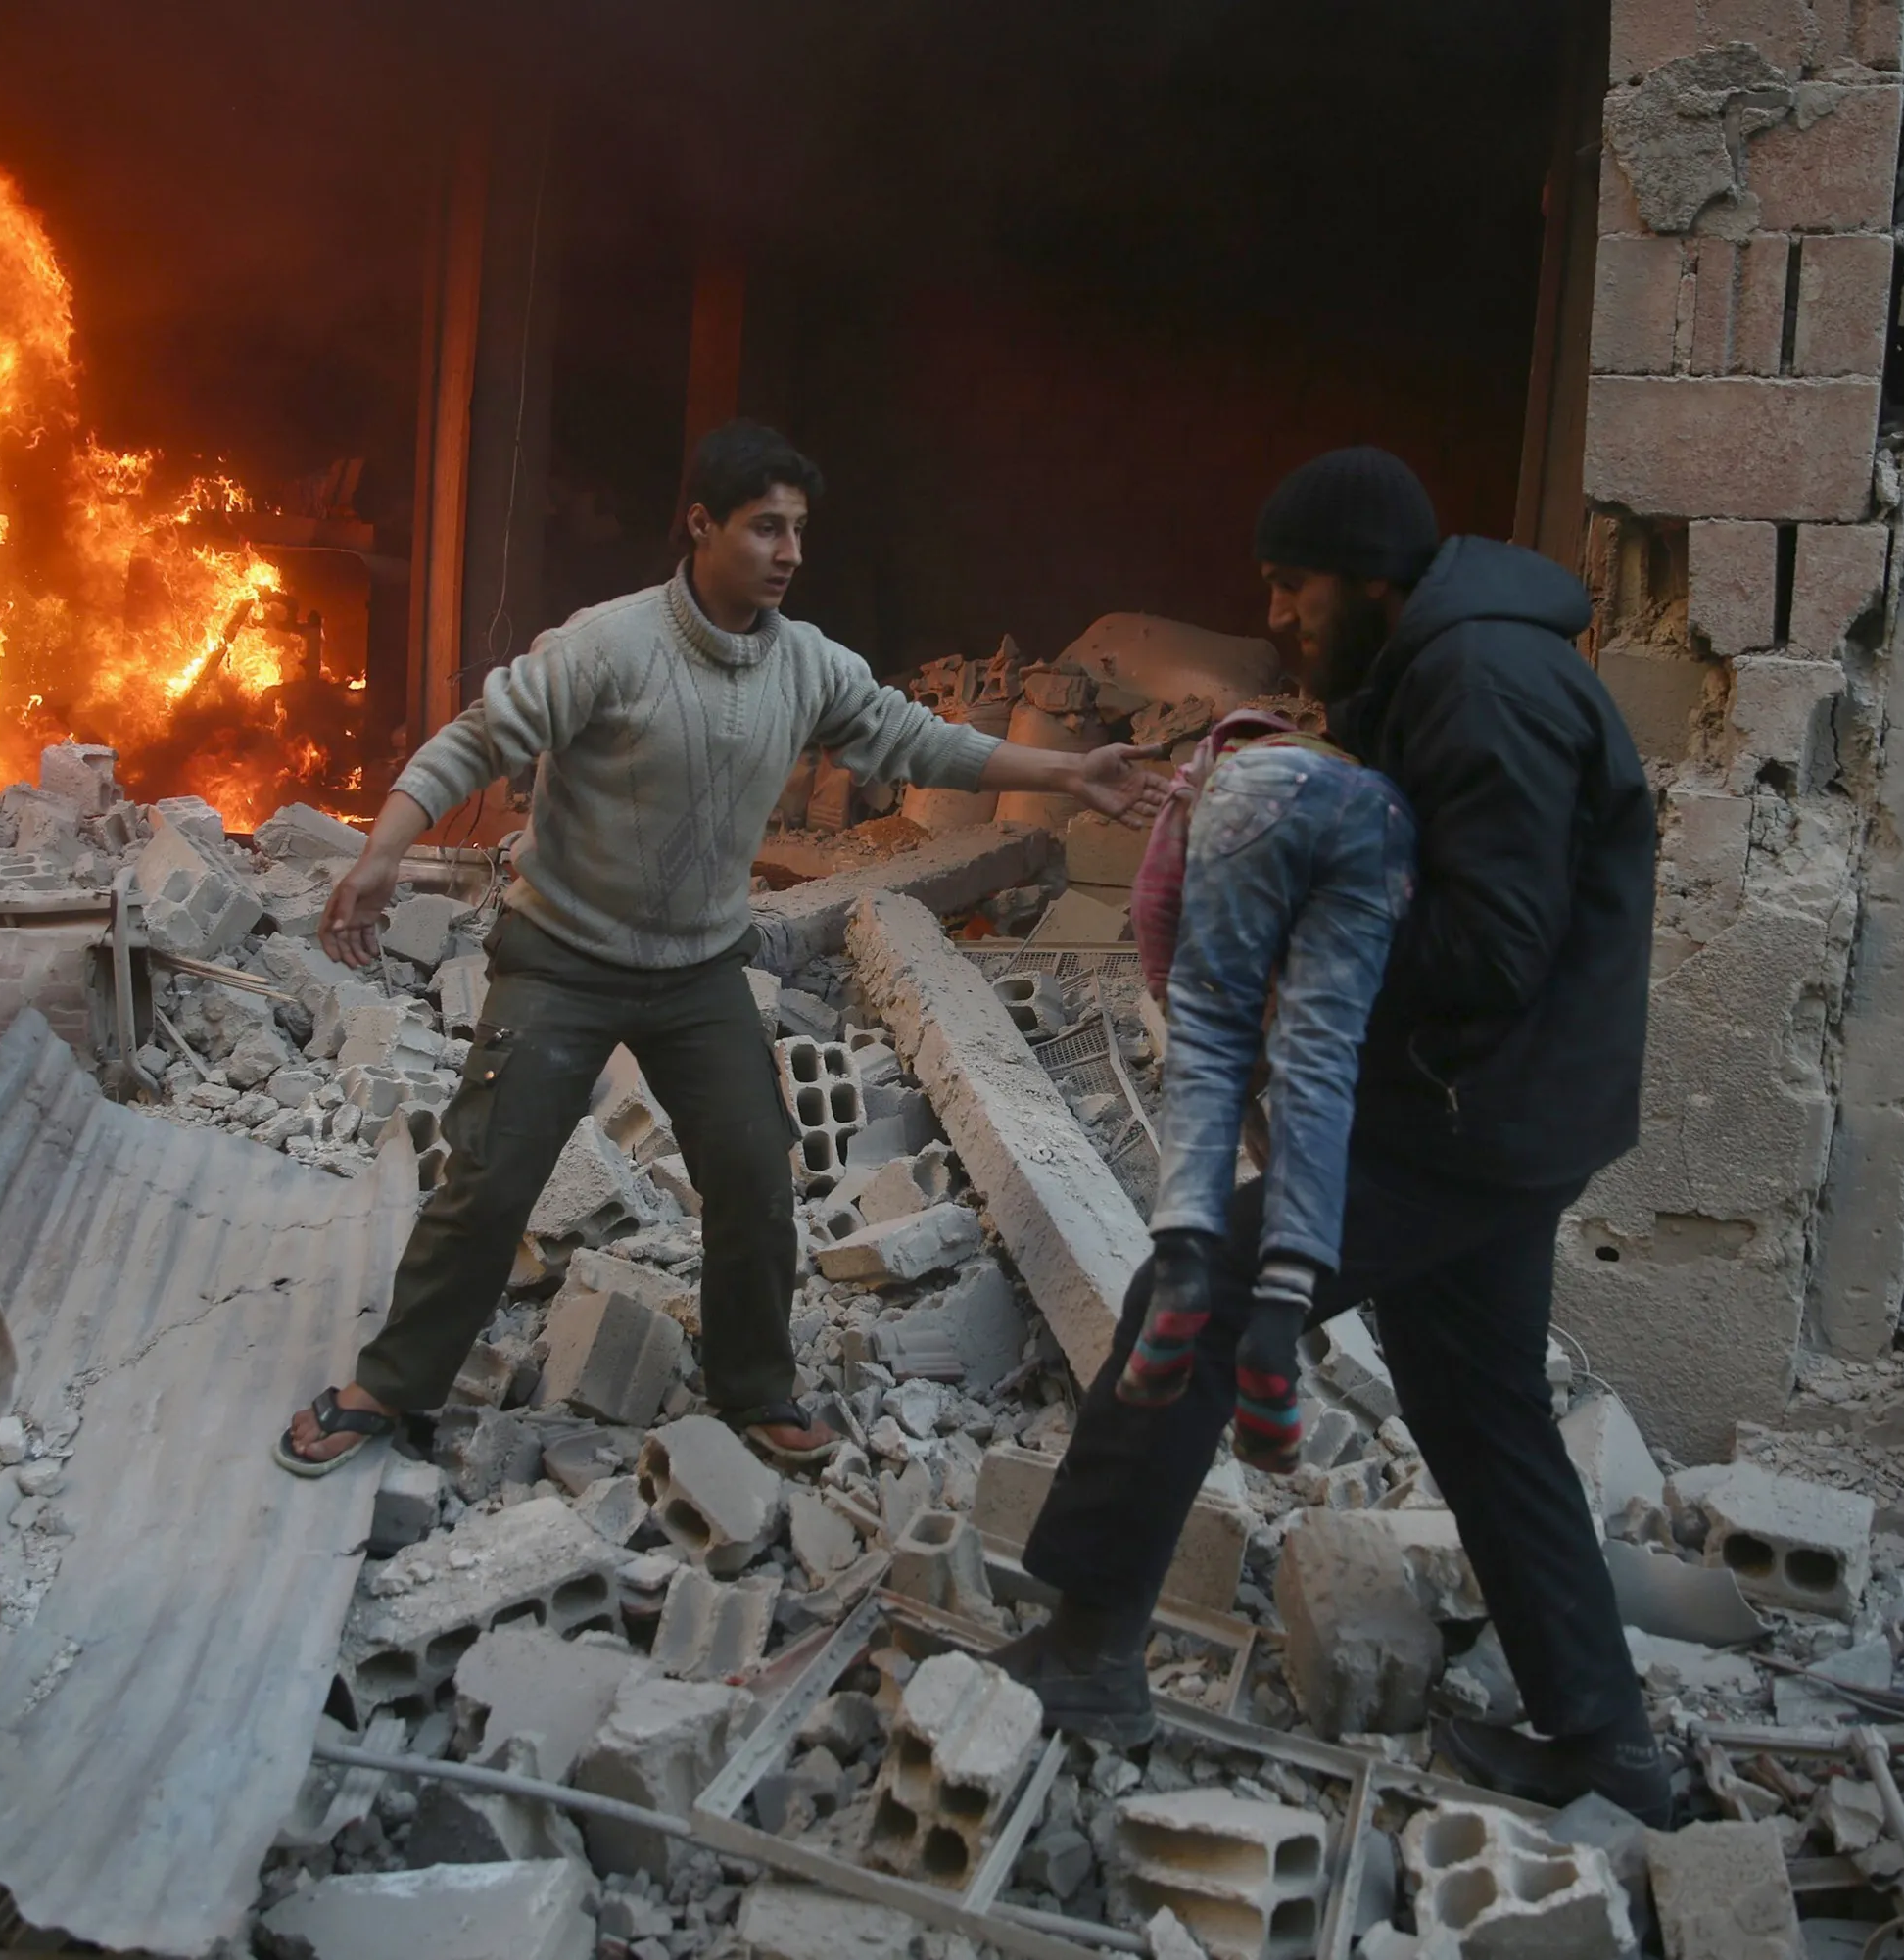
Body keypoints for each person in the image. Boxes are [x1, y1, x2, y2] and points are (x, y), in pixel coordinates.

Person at [277, 421, 1169, 1476]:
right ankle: (387, 1386)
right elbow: (478, 737)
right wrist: (383, 851)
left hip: (697, 971)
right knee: (492, 1174)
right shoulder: (609, 645)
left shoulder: (806, 665)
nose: (790, 553)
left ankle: (753, 1389)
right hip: (562, 956)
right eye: (765, 528)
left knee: (752, 1175)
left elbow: (918, 739)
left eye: (799, 530)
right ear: (700, 525)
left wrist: (1069, 774)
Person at [998, 447, 1670, 1826]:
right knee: (1481, 1402)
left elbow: (1493, 948)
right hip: (1504, 1105)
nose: (1279, 616)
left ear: (1370, 580)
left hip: (1473, 1113)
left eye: (1293, 586)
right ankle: (1607, 1743)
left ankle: (1088, 1651)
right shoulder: (1446, 664)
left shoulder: (1482, 683)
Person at [1114, 705, 1414, 1476]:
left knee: (1209, 1065)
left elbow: (1153, 898)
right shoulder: (1356, 775)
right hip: (1369, 831)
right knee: (1319, 1076)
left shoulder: (1211, 776)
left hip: (1248, 819)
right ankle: (1276, 1329)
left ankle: (1180, 1285)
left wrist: (1174, 994)